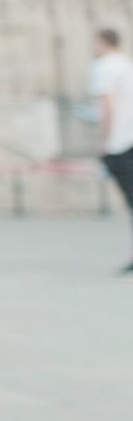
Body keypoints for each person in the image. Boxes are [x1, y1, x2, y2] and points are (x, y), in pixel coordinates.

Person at [89, 28, 133, 274]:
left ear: (103, 42)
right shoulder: (127, 65)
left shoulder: (104, 68)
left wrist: (103, 141)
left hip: (119, 143)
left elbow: (108, 107)